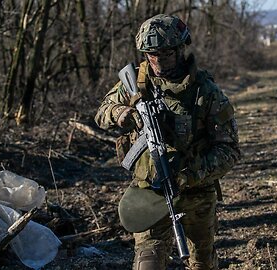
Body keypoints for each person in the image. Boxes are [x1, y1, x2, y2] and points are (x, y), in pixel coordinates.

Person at [95, 14, 240, 270]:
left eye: (165, 54)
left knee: (202, 263)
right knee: (147, 263)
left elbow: (229, 150)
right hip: (149, 191)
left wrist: (190, 174)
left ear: (181, 49)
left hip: (196, 193)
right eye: (151, 54)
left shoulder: (205, 92)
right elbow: (102, 112)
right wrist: (121, 114)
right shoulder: (135, 85)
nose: (158, 61)